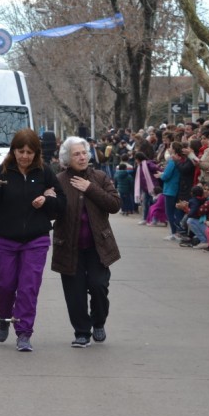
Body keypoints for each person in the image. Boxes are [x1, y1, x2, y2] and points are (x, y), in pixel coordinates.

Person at [0, 129, 66, 351]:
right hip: (5, 239)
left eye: (29, 152)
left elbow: (61, 203)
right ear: (14, 151)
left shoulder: (45, 172)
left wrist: (46, 201)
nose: (25, 156)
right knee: (3, 285)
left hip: (35, 240)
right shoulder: (3, 172)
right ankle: (4, 317)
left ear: (36, 153)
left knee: (28, 287)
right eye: (21, 151)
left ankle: (24, 332)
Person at [51, 137, 121, 348]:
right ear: (67, 158)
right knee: (75, 293)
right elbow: (51, 213)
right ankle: (81, 332)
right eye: (76, 154)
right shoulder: (58, 180)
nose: (82, 157)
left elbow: (114, 204)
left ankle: (98, 322)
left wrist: (90, 188)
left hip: (97, 247)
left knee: (98, 286)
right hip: (68, 247)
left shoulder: (99, 177)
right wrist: (48, 200)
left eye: (84, 153)